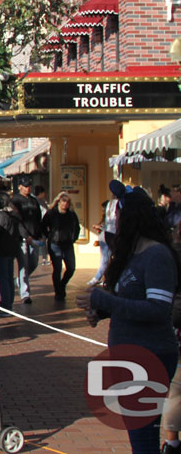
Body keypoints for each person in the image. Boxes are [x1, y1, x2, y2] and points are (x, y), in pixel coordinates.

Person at [77, 184, 181, 454]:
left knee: (143, 437)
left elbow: (157, 308)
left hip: (150, 354)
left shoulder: (156, 255)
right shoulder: (134, 254)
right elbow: (132, 301)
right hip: (130, 353)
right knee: (141, 435)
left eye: (118, 214)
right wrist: (100, 311)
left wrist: (104, 300)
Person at [39, 191, 81, 302]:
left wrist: (74, 238)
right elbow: (43, 225)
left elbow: (77, 227)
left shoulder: (71, 214)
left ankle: (62, 285)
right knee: (57, 268)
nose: (65, 205)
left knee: (71, 268)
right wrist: (49, 236)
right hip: (55, 244)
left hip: (68, 244)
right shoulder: (52, 213)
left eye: (67, 202)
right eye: (63, 202)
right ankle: (58, 292)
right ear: (58, 202)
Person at [10, 178, 42, 305]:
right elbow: (17, 220)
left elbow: (38, 218)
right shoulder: (15, 200)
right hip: (22, 238)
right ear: (20, 187)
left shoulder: (33, 200)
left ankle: (19, 281)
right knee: (23, 265)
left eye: (29, 185)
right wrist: (25, 236)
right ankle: (25, 294)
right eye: (25, 186)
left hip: (35, 237)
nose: (27, 188)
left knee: (33, 263)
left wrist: (39, 235)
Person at [0, 192, 23, 311]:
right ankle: (9, 302)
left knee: (4, 278)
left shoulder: (1, 215)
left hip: (2, 250)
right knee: (9, 277)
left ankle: (5, 304)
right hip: (11, 249)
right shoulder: (13, 214)